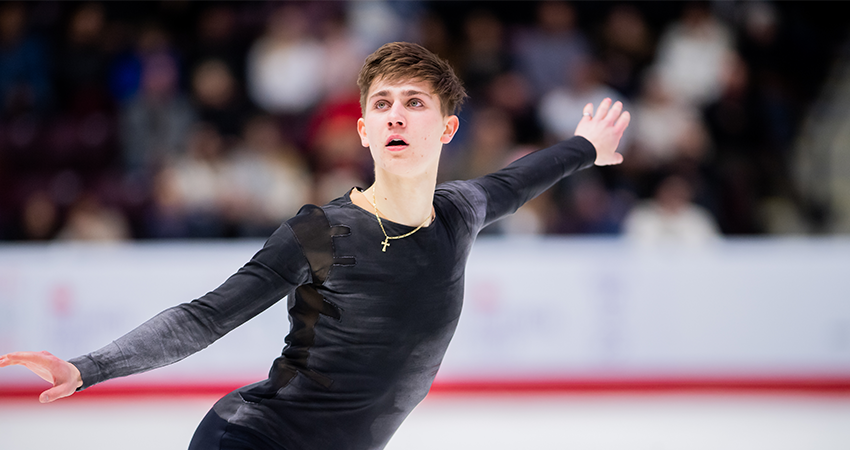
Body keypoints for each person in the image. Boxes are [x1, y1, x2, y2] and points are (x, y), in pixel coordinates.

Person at [0, 42, 630, 450]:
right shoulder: (324, 232)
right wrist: (88, 367)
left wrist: (587, 148)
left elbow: (519, 180)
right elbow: (206, 316)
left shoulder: (458, 213)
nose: (396, 116)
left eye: (415, 103)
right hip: (254, 441)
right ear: (363, 128)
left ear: (447, 128)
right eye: (382, 104)